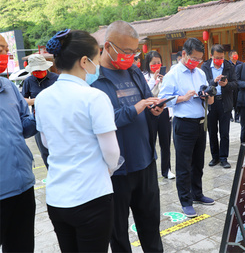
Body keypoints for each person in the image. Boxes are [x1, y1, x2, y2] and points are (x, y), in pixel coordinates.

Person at [35, 29, 120, 252]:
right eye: (96, 59)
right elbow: (112, 152)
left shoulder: (43, 98)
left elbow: (45, 143)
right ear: (84, 61)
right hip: (92, 197)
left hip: (57, 198)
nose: (98, 66)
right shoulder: (94, 97)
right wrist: (109, 169)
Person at [91, 20, 164, 252]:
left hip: (145, 163)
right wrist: (136, 108)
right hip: (115, 171)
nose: (131, 57)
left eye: (134, 52)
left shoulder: (133, 71)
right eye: (126, 52)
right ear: (108, 46)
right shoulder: (94, 80)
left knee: (151, 227)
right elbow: (102, 122)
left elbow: (146, 100)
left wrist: (154, 109)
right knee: (118, 234)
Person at [159, 37, 215, 218]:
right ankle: (185, 201)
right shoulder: (172, 75)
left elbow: (209, 97)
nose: (196, 63)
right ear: (184, 54)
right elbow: (163, 100)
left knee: (198, 162)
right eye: (194, 59)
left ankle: (197, 194)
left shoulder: (200, 73)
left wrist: (208, 96)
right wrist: (183, 98)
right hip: (183, 124)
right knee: (184, 165)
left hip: (201, 123)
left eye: (199, 60)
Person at [0, 34, 37, 253]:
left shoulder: (8, 87)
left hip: (23, 186)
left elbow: (25, 125)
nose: (3, 55)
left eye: (5, 50)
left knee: (22, 247)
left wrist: (40, 115)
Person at [201, 44, 237, 169]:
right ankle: (215, 157)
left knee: (224, 132)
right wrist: (214, 82)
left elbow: (235, 84)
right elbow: (203, 84)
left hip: (224, 103)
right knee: (212, 131)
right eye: (217, 57)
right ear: (211, 56)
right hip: (211, 102)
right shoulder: (205, 66)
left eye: (221, 57)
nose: (219, 60)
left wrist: (226, 84)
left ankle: (223, 158)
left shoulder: (228, 66)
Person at [22, 54, 58, 169]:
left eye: (40, 69)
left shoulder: (56, 78)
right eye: (35, 70)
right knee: (45, 152)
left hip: (57, 119)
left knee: (58, 150)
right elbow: (23, 100)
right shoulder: (28, 81)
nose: (38, 71)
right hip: (38, 121)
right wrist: (36, 100)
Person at [143, 50, 175, 179]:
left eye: (159, 63)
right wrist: (154, 80)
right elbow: (145, 93)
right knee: (151, 142)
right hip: (150, 112)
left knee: (165, 142)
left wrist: (163, 81)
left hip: (164, 112)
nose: (156, 65)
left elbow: (169, 94)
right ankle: (150, 171)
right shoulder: (143, 77)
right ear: (148, 64)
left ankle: (166, 170)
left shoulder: (166, 77)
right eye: (153, 63)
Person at [229, 50, 243, 123]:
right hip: (230, 86)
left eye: (236, 54)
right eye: (234, 54)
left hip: (238, 86)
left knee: (237, 102)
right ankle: (230, 116)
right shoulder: (227, 64)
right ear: (230, 57)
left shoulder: (240, 64)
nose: (235, 55)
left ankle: (237, 117)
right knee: (230, 102)